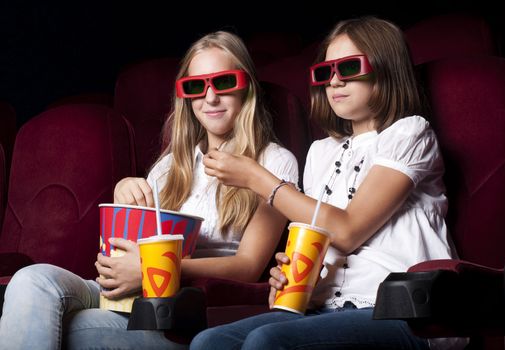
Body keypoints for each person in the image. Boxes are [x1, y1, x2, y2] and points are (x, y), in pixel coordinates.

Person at [0, 31, 298, 349]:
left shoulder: (275, 162)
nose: (210, 98)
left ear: (247, 87)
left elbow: (249, 266)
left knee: (75, 329)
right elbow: (130, 242)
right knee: (32, 280)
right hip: (136, 294)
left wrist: (150, 268)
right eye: (196, 86)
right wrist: (124, 195)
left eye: (224, 82)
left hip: (189, 311)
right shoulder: (172, 165)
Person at [193, 17, 466, 349]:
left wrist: (258, 179)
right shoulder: (320, 152)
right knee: (210, 342)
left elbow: (348, 231)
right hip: (325, 309)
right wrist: (291, 281)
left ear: (386, 69)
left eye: (348, 67)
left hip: (402, 309)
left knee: (267, 341)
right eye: (325, 72)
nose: (334, 81)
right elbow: (316, 247)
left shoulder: (409, 133)